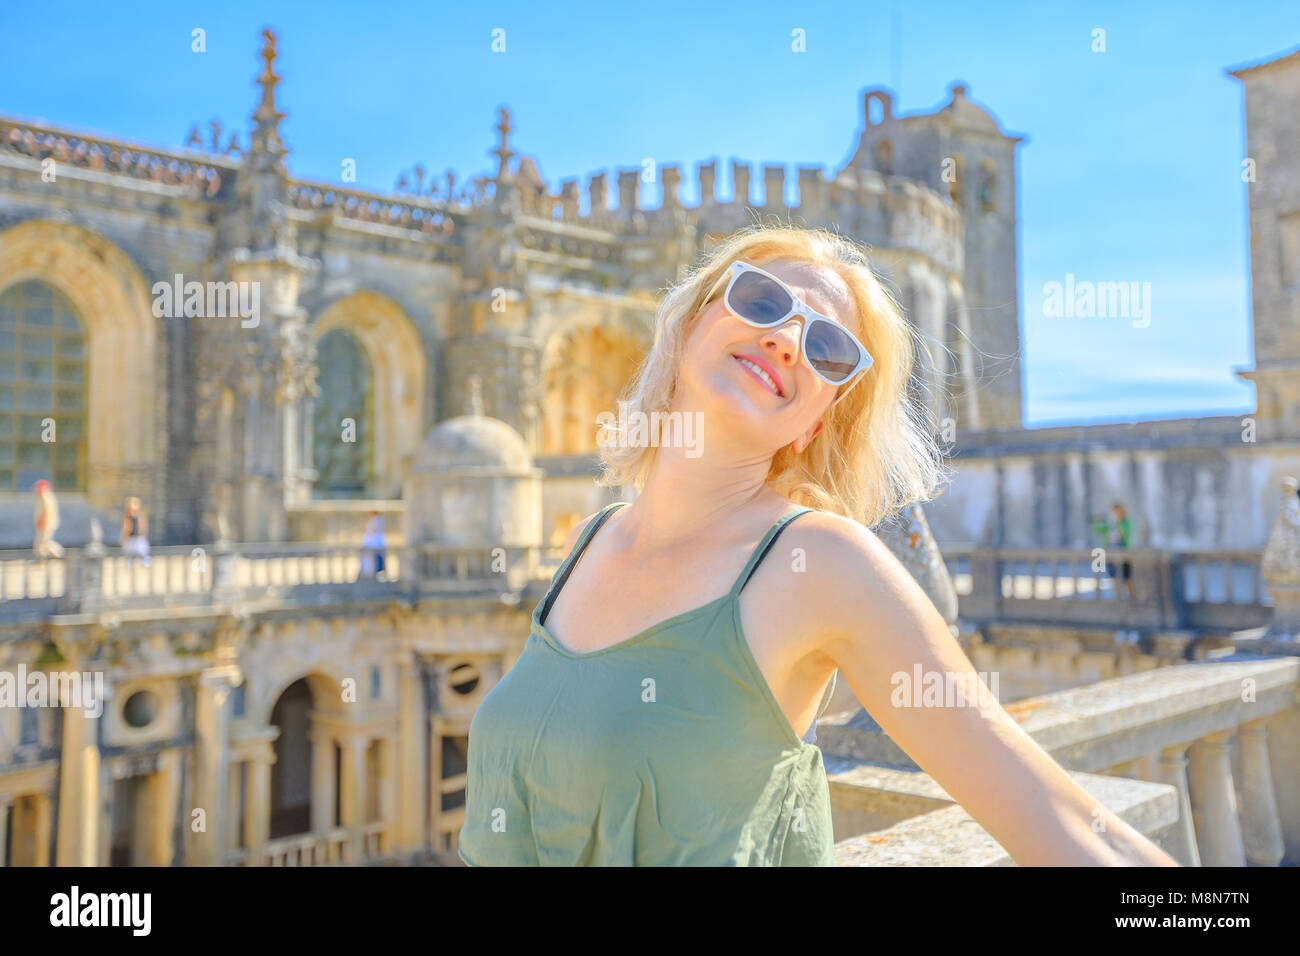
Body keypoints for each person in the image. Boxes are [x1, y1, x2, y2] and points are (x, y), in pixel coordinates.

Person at [456, 224, 1176, 867]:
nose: (787, 338)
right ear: (687, 327)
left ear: (814, 425)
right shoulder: (590, 540)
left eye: (829, 349)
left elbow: (1065, 825)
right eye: (763, 301)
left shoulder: (821, 564)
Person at [1107, 502, 1133, 599]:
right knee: (1113, 575)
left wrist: (1118, 522)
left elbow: (1126, 532)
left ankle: (1131, 596)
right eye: (1114, 511)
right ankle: (1117, 596)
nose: (1115, 513)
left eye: (1117, 510)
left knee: (1126, 576)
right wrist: (1096, 522)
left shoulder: (1126, 522)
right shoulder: (1110, 523)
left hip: (1124, 552)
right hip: (1111, 551)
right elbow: (1101, 532)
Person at [32, 480, 64, 558]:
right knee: (44, 541)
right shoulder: (49, 496)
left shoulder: (45, 496)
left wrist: (42, 520)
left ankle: (58, 553)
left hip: (46, 523)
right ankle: (55, 554)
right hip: (49, 523)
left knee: (42, 542)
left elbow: (46, 510)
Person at [120, 496, 151, 568]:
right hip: (130, 538)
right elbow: (125, 528)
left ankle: (145, 563)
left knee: (142, 551)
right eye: (130, 509)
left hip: (138, 537)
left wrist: (142, 534)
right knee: (128, 552)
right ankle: (128, 564)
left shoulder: (140, 515)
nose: (131, 512)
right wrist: (124, 538)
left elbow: (143, 526)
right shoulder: (126, 517)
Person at [360, 510, 386, 580]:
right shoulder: (375, 520)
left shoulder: (377, 520)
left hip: (375, 545)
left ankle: (378, 574)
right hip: (373, 544)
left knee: (377, 561)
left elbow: (373, 531)